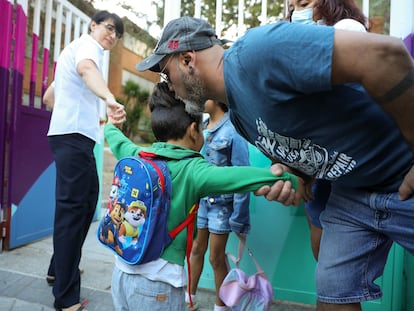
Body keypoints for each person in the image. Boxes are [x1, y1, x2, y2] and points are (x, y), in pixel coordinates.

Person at [136, 16, 414, 311]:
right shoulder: (240, 118)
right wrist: (296, 174)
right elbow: (307, 143)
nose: (168, 87)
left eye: (165, 74)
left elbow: (385, 55)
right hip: (351, 194)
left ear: (187, 60)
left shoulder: (259, 51)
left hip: (403, 173)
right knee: (334, 295)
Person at [105, 82, 301, 311]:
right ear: (193, 130)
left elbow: (117, 140)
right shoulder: (193, 170)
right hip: (158, 286)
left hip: (121, 273)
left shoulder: (139, 154)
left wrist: (112, 124)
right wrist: (291, 180)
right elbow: (236, 177)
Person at [45, 10, 126, 311]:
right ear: (94, 25)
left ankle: (59, 267)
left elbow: (48, 95)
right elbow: (86, 70)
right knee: (72, 212)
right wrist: (109, 98)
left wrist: (63, 101)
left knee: (85, 203)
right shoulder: (88, 47)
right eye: (109, 28)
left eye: (117, 33)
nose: (113, 36)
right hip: (73, 137)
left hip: (73, 137)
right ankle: (66, 299)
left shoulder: (73, 48)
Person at [290, 0, 368, 261]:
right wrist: (300, 172)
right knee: (319, 234)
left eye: (304, 3)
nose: (298, 10)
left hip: (351, 159)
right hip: (317, 161)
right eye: (293, 6)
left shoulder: (348, 29)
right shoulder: (292, 44)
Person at [187, 100, 250, 311]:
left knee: (216, 257)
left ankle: (221, 307)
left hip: (223, 207)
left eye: (203, 95)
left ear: (216, 97)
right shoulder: (202, 127)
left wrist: (239, 218)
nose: (197, 99)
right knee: (196, 248)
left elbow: (242, 176)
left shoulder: (234, 130)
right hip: (203, 202)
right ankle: (190, 298)